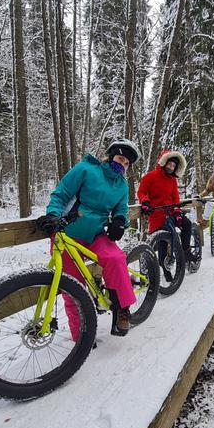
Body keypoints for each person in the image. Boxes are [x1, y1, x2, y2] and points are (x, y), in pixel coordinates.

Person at [35, 139, 139, 338]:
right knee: (72, 286)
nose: (122, 165)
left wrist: (119, 221)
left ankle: (122, 309)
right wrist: (53, 216)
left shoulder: (122, 185)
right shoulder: (85, 169)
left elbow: (122, 209)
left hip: (96, 234)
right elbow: (61, 194)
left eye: (127, 164)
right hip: (68, 232)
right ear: (110, 156)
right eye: (120, 158)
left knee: (116, 259)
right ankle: (81, 335)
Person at [137, 149, 193, 281]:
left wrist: (178, 212)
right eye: (169, 164)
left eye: (173, 166)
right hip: (157, 214)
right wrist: (145, 202)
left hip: (170, 212)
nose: (171, 167)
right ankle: (165, 269)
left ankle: (185, 251)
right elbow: (141, 192)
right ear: (164, 162)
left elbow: (175, 197)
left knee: (186, 224)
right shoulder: (150, 177)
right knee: (163, 240)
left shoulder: (172, 180)